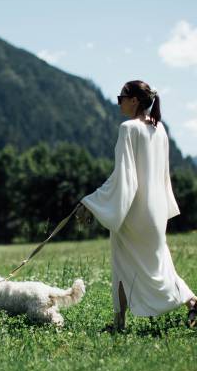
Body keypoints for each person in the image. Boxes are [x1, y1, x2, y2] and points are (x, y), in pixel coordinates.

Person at [76, 80, 197, 331]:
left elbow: (124, 177)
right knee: (159, 263)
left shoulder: (128, 129)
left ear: (134, 100)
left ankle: (119, 323)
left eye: (122, 97)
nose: (118, 101)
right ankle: (192, 302)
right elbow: (162, 175)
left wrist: (90, 203)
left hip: (134, 212)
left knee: (122, 265)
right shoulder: (159, 129)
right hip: (156, 211)